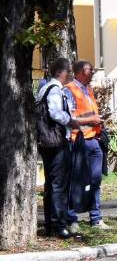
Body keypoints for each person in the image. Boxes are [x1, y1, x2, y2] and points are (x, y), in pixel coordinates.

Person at [63, 60, 109, 231]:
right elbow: (70, 118)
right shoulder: (69, 90)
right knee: (75, 181)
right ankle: (71, 218)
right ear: (81, 72)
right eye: (91, 70)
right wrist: (91, 120)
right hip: (78, 142)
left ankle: (96, 218)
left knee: (96, 180)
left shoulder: (88, 90)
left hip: (94, 141)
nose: (93, 73)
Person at [38, 58, 77, 239]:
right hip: (56, 142)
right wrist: (71, 120)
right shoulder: (54, 90)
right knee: (58, 185)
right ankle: (58, 225)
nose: (71, 74)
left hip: (49, 142)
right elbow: (55, 113)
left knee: (51, 184)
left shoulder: (45, 88)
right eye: (69, 70)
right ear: (61, 72)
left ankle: (50, 223)